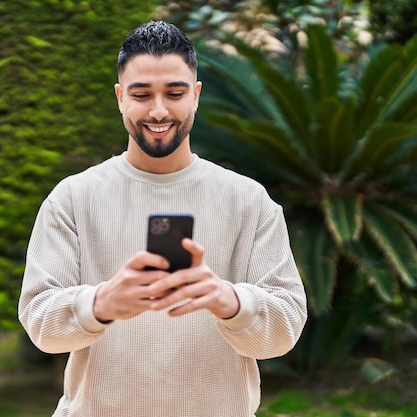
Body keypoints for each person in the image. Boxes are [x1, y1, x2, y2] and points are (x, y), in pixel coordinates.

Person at [18, 20, 307, 417]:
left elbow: (286, 329)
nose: (158, 110)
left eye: (174, 93)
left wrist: (232, 302)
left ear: (196, 96)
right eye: (141, 94)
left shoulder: (249, 201)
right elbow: (39, 322)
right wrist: (101, 303)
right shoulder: (72, 198)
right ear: (120, 97)